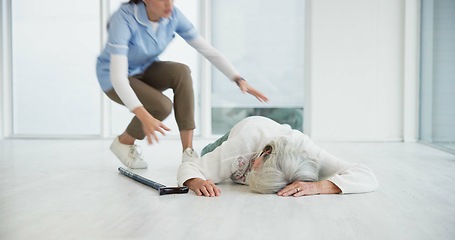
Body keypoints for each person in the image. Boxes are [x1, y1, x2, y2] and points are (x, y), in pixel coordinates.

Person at [96, 0, 268, 169]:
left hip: (145, 69)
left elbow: (207, 50)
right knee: (162, 106)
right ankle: (123, 142)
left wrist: (239, 79)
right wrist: (144, 115)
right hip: (113, 77)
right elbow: (118, 77)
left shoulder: (173, 16)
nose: (168, 4)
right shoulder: (124, 18)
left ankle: (188, 151)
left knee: (181, 71)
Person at [177, 116, 379, 197]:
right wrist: (195, 181)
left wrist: (319, 186)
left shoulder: (308, 152)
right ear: (264, 153)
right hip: (242, 130)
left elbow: (366, 175)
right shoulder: (241, 146)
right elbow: (192, 167)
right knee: (206, 153)